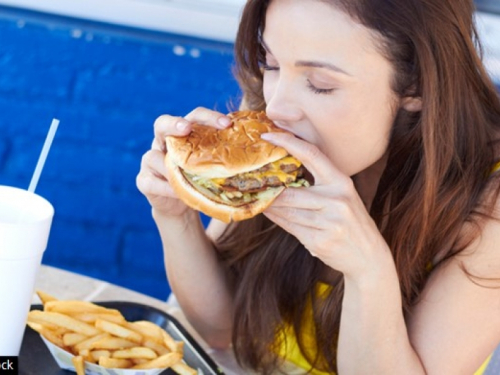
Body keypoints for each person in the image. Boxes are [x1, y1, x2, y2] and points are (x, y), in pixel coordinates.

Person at [136, 0, 500, 373]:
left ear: (418, 83)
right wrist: (175, 214)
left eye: (320, 84)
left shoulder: (492, 208)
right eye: (272, 64)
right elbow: (220, 330)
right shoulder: (271, 113)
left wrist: (368, 271)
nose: (276, 108)